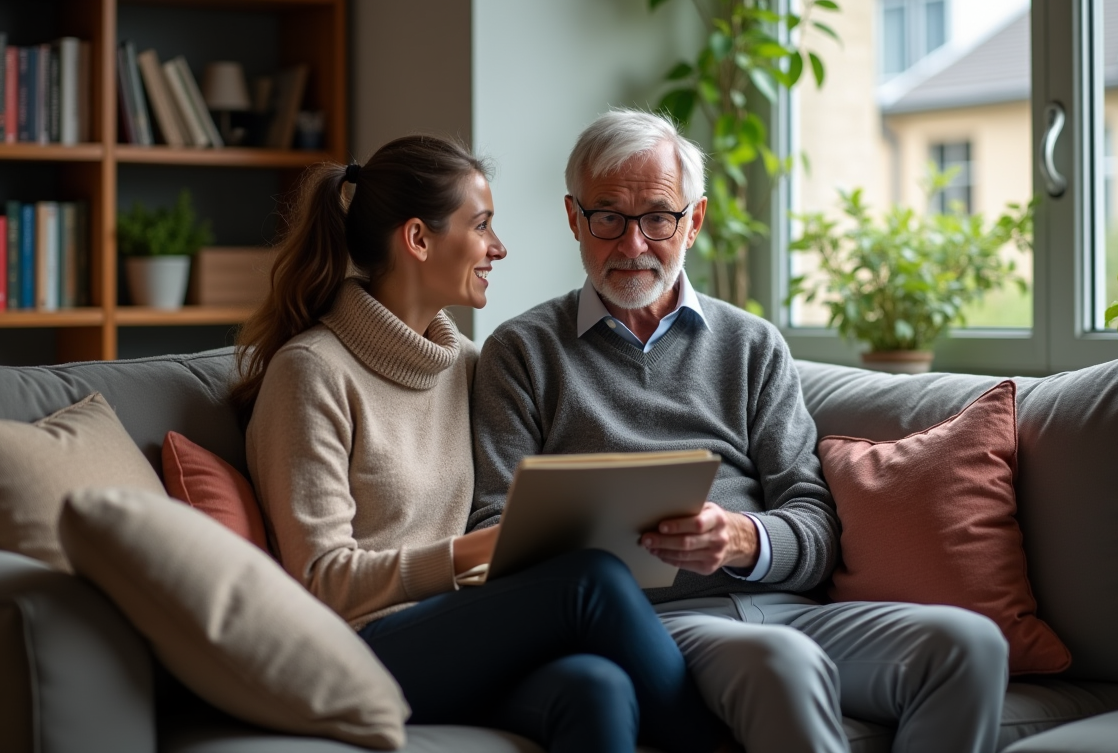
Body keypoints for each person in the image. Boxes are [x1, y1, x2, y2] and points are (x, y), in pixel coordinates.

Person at [469, 110, 1010, 753]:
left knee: (969, 644)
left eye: (659, 218)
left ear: (694, 221)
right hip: (652, 627)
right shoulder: (522, 353)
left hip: (793, 610)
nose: (633, 245)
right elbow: (489, 534)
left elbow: (816, 524)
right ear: (573, 218)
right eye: (607, 216)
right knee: (779, 662)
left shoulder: (753, 345)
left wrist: (742, 539)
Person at [231, 135, 724, 753]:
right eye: (483, 225)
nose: (499, 248)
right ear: (418, 239)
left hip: (459, 632)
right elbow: (323, 581)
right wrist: (478, 550)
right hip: (352, 647)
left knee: (595, 687)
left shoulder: (465, 365)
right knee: (588, 578)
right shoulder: (311, 373)